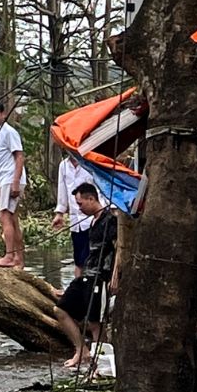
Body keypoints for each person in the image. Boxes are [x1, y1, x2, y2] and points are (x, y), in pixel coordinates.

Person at [53, 182, 118, 370]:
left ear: (91, 199)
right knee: (60, 310)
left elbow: (118, 248)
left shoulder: (109, 220)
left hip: (100, 276)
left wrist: (115, 276)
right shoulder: (93, 221)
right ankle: (81, 350)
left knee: (95, 323)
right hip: (86, 275)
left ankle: (102, 367)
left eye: (81, 203)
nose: (79, 208)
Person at [0, 99, 27, 268]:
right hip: (5, 180)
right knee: (12, 219)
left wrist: (15, 182)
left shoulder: (9, 132)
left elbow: (19, 156)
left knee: (4, 216)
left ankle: (9, 256)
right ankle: (18, 259)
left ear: (3, 113)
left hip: (11, 179)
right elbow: (0, 164)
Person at [51, 155, 97, 279]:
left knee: (92, 256)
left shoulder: (90, 160)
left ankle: (91, 289)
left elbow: (99, 187)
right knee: (78, 258)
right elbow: (62, 189)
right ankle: (76, 287)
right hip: (75, 220)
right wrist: (60, 213)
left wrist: (100, 214)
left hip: (91, 218)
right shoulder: (64, 165)